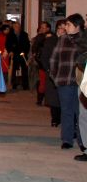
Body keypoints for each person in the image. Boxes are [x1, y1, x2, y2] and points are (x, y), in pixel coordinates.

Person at [49, 13, 87, 150]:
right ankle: (67, 139)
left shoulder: (84, 40)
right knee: (66, 111)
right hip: (64, 80)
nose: (66, 27)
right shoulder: (63, 39)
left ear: (77, 26)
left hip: (80, 83)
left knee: (80, 112)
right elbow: (54, 58)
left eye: (69, 24)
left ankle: (83, 141)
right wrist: (55, 75)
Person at [40, 19, 65, 127]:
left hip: (65, 74)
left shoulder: (70, 41)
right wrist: (48, 69)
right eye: (60, 28)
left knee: (63, 97)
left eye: (64, 28)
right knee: (54, 98)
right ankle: (55, 118)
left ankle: (63, 118)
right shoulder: (52, 41)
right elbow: (44, 57)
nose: (62, 31)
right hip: (53, 72)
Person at [31, 21, 51, 105]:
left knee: (47, 82)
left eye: (43, 27)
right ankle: (40, 100)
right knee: (41, 81)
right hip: (41, 63)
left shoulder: (51, 36)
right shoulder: (40, 37)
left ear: (48, 28)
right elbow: (35, 47)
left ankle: (46, 99)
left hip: (49, 63)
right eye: (41, 27)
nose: (41, 29)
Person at [6, 22, 30, 91]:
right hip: (14, 54)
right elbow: (8, 44)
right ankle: (14, 84)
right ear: (13, 27)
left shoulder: (24, 34)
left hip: (22, 54)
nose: (17, 28)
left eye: (18, 26)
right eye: (15, 26)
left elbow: (27, 44)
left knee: (24, 69)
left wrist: (25, 51)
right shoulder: (10, 35)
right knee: (13, 70)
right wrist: (10, 51)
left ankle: (25, 85)